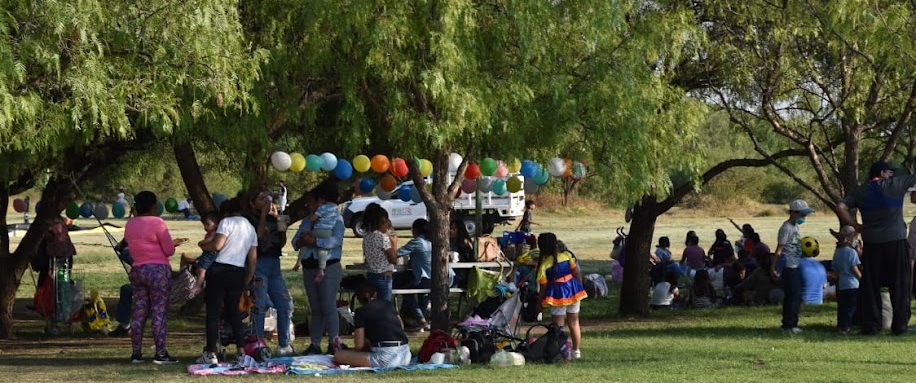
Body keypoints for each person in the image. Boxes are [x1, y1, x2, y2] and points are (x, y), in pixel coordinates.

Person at [837, 161, 916, 335]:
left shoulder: (860, 191)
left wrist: (855, 225)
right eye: (890, 172)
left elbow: (841, 206)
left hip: (872, 243)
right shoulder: (895, 184)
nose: (892, 175)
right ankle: (900, 326)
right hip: (896, 241)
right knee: (900, 284)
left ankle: (872, 326)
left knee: (871, 286)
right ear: (882, 172)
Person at [196, 197, 258, 364]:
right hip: (238, 272)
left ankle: (210, 352)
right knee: (234, 313)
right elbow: (252, 259)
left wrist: (203, 246)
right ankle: (240, 350)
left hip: (219, 270)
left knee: (214, 313)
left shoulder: (227, 222)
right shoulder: (250, 228)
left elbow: (217, 245)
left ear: (226, 211)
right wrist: (246, 278)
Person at [122, 191, 177, 364]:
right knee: (158, 311)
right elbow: (169, 250)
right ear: (153, 206)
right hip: (158, 271)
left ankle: (136, 353)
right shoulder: (158, 222)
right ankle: (160, 353)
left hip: (138, 269)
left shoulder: (130, 224)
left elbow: (130, 246)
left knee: (139, 311)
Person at [292, 185, 346, 355]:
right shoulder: (307, 222)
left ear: (320, 203)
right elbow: (295, 242)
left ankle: (334, 342)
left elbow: (335, 241)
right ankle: (315, 344)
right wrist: (303, 240)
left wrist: (314, 242)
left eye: (311, 202)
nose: (308, 206)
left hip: (328, 266)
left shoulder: (336, 219)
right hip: (309, 267)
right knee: (315, 308)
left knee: (328, 306)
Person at [244, 186, 295, 356]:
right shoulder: (249, 219)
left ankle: (284, 344)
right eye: (261, 199)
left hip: (274, 265)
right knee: (259, 305)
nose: (266, 201)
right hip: (259, 264)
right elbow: (257, 238)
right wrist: (264, 216)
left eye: (268, 198)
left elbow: (281, 242)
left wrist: (279, 219)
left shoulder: (274, 217)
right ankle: (258, 344)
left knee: (285, 304)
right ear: (253, 203)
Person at [333, 283, 411, 368]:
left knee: (338, 355)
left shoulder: (361, 312)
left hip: (386, 359)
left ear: (358, 298)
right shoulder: (388, 304)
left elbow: (359, 345)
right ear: (375, 294)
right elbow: (401, 326)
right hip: (405, 354)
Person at [536, 232, 586, 359]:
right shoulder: (567, 255)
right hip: (573, 290)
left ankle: (562, 351)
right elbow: (576, 273)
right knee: (574, 323)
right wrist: (579, 287)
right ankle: (576, 351)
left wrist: (539, 303)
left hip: (557, 295)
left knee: (558, 327)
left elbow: (543, 287)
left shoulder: (544, 265)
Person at [771, 199, 815, 334]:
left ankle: (789, 323)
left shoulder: (795, 226)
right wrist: (773, 267)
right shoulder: (786, 228)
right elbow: (779, 249)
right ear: (793, 213)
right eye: (802, 214)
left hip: (796, 264)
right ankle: (790, 325)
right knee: (794, 296)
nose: (804, 217)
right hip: (789, 266)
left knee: (795, 295)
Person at [393, 219, 432, 330]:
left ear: (415, 230)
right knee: (419, 293)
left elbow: (397, 253)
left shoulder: (417, 242)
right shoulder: (432, 241)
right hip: (436, 278)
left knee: (406, 291)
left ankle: (421, 320)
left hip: (424, 278)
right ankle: (419, 319)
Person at [362, 203, 398, 301]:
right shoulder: (383, 237)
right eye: (387, 223)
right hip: (383, 276)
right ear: (382, 222)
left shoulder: (367, 237)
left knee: (374, 305)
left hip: (371, 274)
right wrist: (394, 243)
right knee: (385, 307)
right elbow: (393, 259)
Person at [832, 225, 862, 334]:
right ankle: (846, 328)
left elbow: (835, 271)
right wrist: (861, 279)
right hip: (852, 284)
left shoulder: (838, 252)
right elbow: (854, 268)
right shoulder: (851, 253)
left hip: (842, 284)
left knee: (842, 307)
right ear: (850, 238)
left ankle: (841, 326)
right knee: (851, 308)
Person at [33, 216, 76, 289]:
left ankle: (45, 295)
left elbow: (48, 236)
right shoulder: (61, 220)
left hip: (55, 253)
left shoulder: (50, 222)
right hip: (65, 252)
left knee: (47, 277)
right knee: (63, 277)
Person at [188, 212, 222, 298]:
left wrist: (201, 243)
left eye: (208, 224)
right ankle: (199, 285)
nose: (205, 227)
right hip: (207, 253)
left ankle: (198, 286)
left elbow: (209, 240)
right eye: (204, 225)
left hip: (210, 254)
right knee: (199, 269)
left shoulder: (214, 233)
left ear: (216, 224)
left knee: (201, 269)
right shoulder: (213, 232)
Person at [310, 189, 339, 284]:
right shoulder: (335, 208)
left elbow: (313, 219)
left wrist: (315, 211)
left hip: (319, 230)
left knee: (306, 242)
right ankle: (321, 269)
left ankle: (298, 260)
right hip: (328, 231)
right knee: (323, 251)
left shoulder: (322, 207)